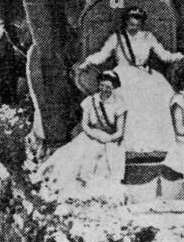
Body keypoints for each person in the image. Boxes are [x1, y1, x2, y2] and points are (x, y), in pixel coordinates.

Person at [76, 8, 182, 156]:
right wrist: (88, 62)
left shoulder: (147, 37)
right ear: (126, 21)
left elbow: (164, 55)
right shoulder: (117, 37)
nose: (134, 28)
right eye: (131, 24)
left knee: (159, 100)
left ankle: (155, 144)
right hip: (123, 75)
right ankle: (130, 146)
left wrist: (179, 57)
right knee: (129, 102)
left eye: (137, 25)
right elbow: (102, 55)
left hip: (146, 76)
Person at [34, 71, 127, 200]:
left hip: (110, 142)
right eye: (102, 86)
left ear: (114, 88)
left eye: (108, 87)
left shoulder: (119, 104)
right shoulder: (90, 101)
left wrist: (108, 138)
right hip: (89, 137)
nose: (104, 90)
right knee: (73, 160)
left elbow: (120, 131)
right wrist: (95, 135)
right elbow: (85, 125)